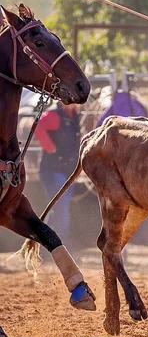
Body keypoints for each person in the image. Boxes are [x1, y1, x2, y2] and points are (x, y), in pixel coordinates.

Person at [34, 101, 81, 246]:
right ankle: (60, 246)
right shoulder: (55, 115)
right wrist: (50, 148)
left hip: (65, 170)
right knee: (61, 211)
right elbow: (37, 127)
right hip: (53, 169)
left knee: (58, 210)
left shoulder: (72, 116)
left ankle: (45, 245)